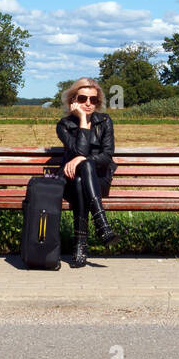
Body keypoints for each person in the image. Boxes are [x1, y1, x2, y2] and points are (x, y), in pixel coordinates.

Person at [56, 78, 118, 267]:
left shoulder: (105, 121)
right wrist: (83, 120)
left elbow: (107, 156)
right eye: (83, 99)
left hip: (99, 180)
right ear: (73, 100)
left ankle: (80, 247)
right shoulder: (64, 125)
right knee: (79, 177)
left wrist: (85, 160)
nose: (88, 103)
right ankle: (102, 225)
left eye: (93, 100)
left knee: (85, 170)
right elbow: (79, 151)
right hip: (70, 179)